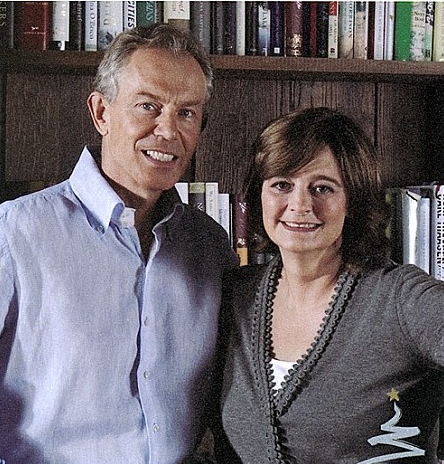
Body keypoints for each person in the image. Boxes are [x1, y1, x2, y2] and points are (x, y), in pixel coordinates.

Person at [0, 24, 237, 463]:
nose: (168, 130)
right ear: (101, 113)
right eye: (148, 106)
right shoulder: (15, 232)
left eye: (186, 113)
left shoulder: (210, 246)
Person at [214, 107, 444, 463]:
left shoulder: (400, 298)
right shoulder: (235, 295)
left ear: (353, 200)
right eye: (281, 185)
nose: (299, 204)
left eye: (322, 188)